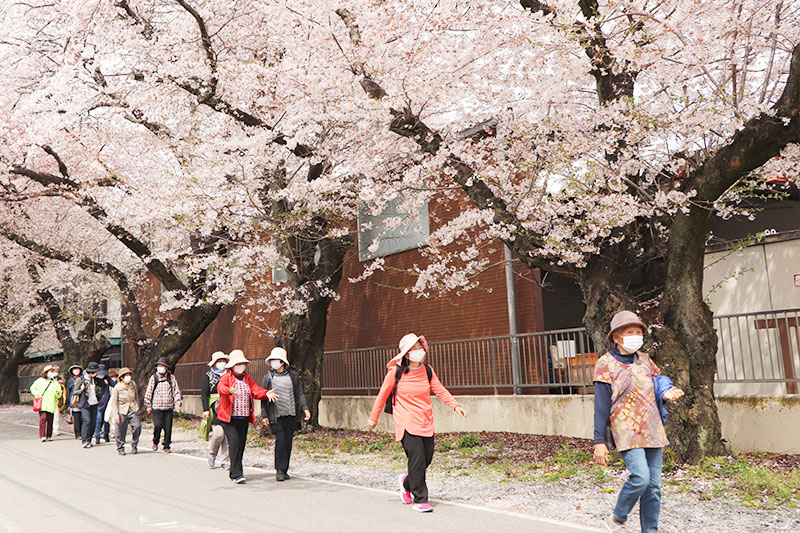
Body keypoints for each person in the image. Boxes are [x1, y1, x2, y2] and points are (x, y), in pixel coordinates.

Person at [592, 310, 685, 533]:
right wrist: (599, 441)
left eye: (638, 332)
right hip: (626, 430)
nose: (636, 336)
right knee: (641, 478)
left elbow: (658, 382)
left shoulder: (645, 360)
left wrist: (666, 391)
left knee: (654, 487)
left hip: (652, 428)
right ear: (616, 337)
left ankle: (650, 530)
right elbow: (601, 405)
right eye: (630, 332)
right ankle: (617, 518)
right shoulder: (606, 364)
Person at [368, 333, 467, 513]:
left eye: (419, 348)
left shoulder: (427, 370)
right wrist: (373, 418)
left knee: (426, 458)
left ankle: (407, 483)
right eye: (412, 349)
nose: (417, 352)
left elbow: (440, 390)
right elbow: (382, 395)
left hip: (425, 420)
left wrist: (455, 405)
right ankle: (420, 499)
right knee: (417, 458)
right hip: (406, 422)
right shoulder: (395, 372)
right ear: (405, 354)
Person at [216, 349, 277, 484]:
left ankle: (234, 472)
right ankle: (237, 473)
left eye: (242, 363)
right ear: (232, 365)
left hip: (243, 417)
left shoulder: (247, 378)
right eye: (238, 363)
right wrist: (229, 390)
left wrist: (266, 393)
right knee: (235, 443)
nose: (240, 366)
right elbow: (221, 388)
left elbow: (255, 390)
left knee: (241, 444)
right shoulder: (226, 377)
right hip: (229, 418)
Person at [261, 347, 311, 481]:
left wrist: (305, 408)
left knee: (288, 441)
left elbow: (299, 393)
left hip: (290, 413)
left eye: (275, 360)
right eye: (271, 360)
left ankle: (285, 469)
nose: (273, 363)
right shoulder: (268, 377)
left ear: (282, 362)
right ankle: (279, 469)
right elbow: (263, 397)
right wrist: (264, 415)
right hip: (276, 415)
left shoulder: (293, 376)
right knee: (281, 440)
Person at [144, 357, 183, 453]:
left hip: (169, 407)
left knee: (168, 427)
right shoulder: (154, 378)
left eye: (162, 366)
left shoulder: (171, 378)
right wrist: (148, 405)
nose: (160, 368)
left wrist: (178, 404)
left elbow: (176, 392)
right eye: (159, 366)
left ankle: (167, 445)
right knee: (157, 425)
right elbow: (149, 392)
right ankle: (155, 441)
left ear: (166, 368)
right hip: (157, 407)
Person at [201, 351, 230, 469]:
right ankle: (212, 455)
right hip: (215, 409)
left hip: (227, 407)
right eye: (219, 361)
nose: (222, 363)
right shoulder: (208, 376)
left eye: (223, 361)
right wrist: (205, 409)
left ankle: (225, 460)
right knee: (218, 434)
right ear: (214, 363)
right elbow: (204, 394)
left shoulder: (229, 375)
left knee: (227, 435)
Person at [72, 361, 108, 448]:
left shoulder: (95, 380)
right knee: (87, 421)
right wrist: (81, 389)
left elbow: (104, 385)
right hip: (85, 403)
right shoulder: (81, 380)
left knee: (93, 423)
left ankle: (89, 440)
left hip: (94, 403)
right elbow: (74, 391)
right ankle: (84, 441)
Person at [110, 367, 141, 455]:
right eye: (126, 375)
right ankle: (120, 447)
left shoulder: (133, 384)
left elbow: (136, 396)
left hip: (133, 409)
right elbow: (114, 402)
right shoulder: (117, 388)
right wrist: (115, 415)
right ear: (122, 377)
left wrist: (137, 407)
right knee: (120, 430)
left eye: (129, 375)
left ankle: (134, 444)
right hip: (122, 410)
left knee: (137, 426)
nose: (129, 377)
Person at [30, 364, 63, 442]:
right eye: (50, 371)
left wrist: (58, 393)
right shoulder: (39, 381)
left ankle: (49, 435)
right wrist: (36, 394)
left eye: (53, 371)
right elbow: (32, 388)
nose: (52, 373)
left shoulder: (55, 383)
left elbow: (58, 394)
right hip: (42, 404)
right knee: (43, 419)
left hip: (51, 404)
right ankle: (42, 435)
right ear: (46, 372)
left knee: (50, 420)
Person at [94, 366, 115, 445]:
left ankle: (106, 434)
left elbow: (114, 385)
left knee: (107, 420)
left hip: (107, 402)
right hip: (97, 403)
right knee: (98, 419)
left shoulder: (107, 379)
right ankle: (97, 435)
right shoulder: (94, 380)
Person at [66, 364, 83, 439]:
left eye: (77, 369)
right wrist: (68, 404)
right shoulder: (70, 381)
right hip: (74, 400)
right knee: (76, 418)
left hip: (83, 399)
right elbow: (68, 392)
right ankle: (78, 434)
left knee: (83, 418)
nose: (76, 371)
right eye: (74, 370)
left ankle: (83, 432)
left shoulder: (83, 379)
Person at [52, 366, 66, 436]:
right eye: (55, 370)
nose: (56, 372)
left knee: (56, 416)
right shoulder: (48, 379)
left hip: (57, 400)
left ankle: (55, 429)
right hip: (48, 401)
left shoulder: (60, 379)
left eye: (57, 371)